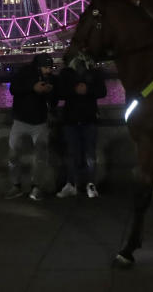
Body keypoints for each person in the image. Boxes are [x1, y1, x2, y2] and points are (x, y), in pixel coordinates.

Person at [54, 54, 107, 199]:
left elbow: (102, 91)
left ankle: (90, 184)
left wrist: (87, 89)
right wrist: (75, 90)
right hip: (71, 119)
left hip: (88, 119)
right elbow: (59, 92)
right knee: (72, 154)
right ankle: (71, 184)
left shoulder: (95, 73)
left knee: (89, 154)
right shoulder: (66, 74)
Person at [6, 53, 57, 201]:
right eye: (47, 67)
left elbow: (54, 99)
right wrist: (32, 88)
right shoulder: (23, 73)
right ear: (39, 66)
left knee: (41, 157)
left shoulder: (50, 78)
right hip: (21, 121)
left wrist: (50, 92)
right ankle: (16, 186)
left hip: (40, 122)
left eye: (50, 67)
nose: (49, 70)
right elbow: (14, 89)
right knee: (13, 156)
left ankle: (36, 187)